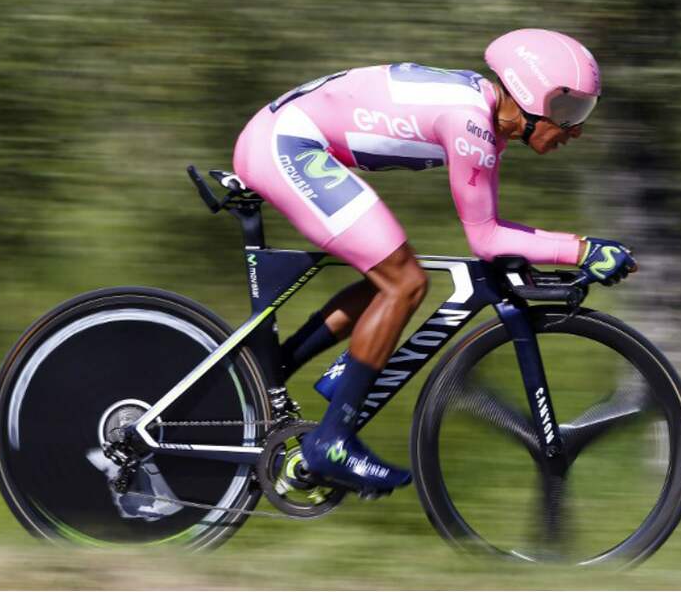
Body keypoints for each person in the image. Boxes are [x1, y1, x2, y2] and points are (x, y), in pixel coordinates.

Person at [232, 28, 636, 496]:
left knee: (393, 277)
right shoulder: (472, 124)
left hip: (283, 137)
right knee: (403, 283)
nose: (576, 129)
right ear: (528, 94)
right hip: (286, 145)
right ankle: (332, 441)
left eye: (584, 112)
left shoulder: (481, 114)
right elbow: (486, 238)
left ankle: (271, 373)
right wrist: (582, 249)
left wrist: (569, 248)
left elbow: (491, 229)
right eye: (568, 111)